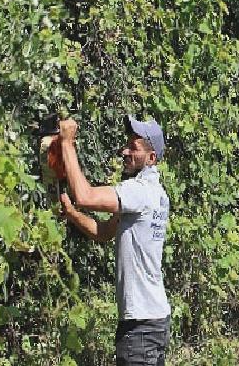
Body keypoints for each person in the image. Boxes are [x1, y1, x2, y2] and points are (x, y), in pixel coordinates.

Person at [58, 115, 171, 366]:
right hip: (154, 321)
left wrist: (67, 143)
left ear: (151, 159)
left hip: (141, 327)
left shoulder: (139, 192)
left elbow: (85, 196)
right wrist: (72, 214)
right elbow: (103, 232)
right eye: (127, 144)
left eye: (134, 147)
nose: (125, 151)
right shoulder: (156, 194)